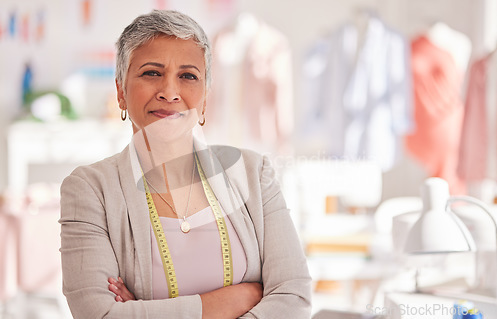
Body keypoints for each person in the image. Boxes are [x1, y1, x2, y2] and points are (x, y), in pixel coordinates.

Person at [59, 9, 311, 319]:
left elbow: (294, 296)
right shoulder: (89, 190)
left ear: (205, 98)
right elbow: (99, 314)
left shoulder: (254, 174)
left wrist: (144, 311)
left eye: (188, 76)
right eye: (152, 72)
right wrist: (239, 299)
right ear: (121, 92)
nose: (170, 92)